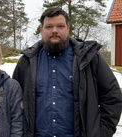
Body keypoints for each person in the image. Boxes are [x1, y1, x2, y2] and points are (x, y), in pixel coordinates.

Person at [12, 7, 122, 137]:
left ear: (68, 28)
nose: (54, 31)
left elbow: (112, 98)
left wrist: (100, 133)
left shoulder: (90, 59)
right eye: (49, 27)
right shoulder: (26, 62)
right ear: (41, 30)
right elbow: (14, 103)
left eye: (60, 26)